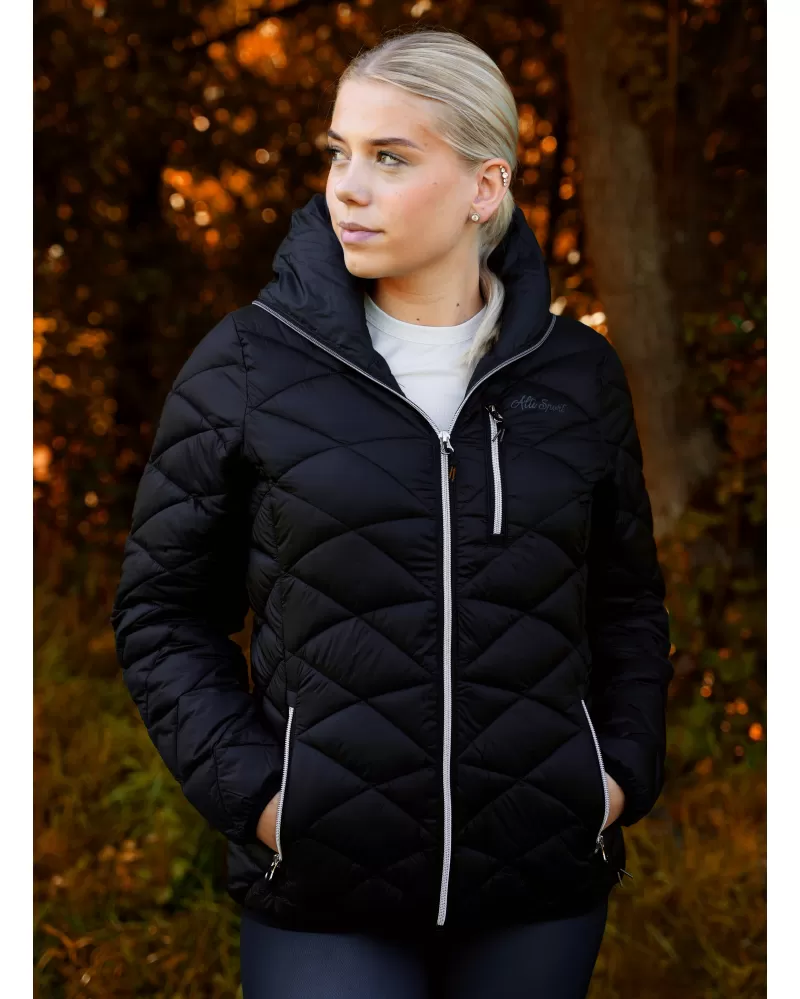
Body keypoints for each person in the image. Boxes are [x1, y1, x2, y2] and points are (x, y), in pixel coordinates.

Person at [111, 26, 673, 999]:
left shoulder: (576, 377)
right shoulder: (248, 364)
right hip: (323, 890)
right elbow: (162, 613)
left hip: (537, 885)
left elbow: (625, 607)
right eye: (340, 153)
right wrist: (267, 800)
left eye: (390, 157)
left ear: (484, 188)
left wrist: (613, 776)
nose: (348, 187)